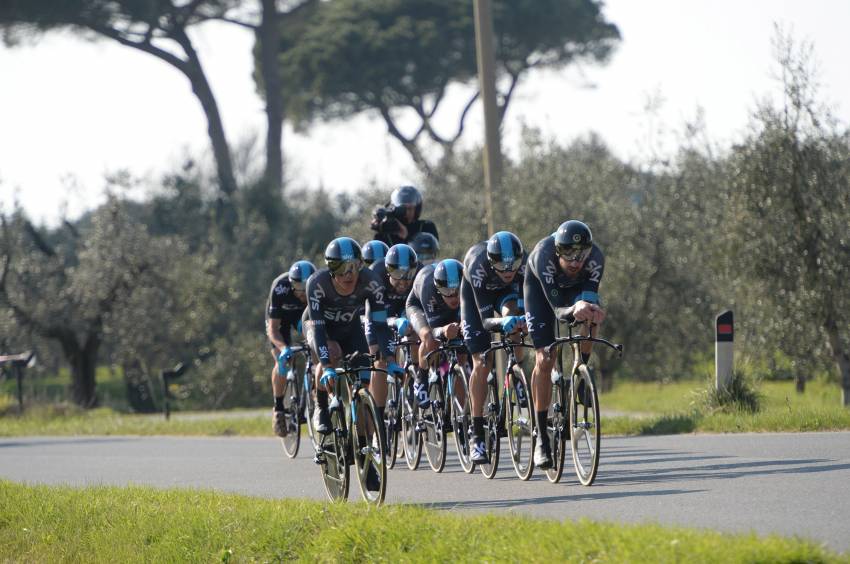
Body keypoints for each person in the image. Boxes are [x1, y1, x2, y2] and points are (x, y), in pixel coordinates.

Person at [302, 237, 405, 490]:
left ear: (360, 265)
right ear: (330, 269)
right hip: (320, 329)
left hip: (351, 330)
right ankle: (322, 405)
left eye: (353, 268)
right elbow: (316, 329)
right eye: (341, 269)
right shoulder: (317, 284)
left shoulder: (371, 281)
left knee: (362, 382)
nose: (348, 275)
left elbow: (380, 325)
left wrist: (389, 360)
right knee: (331, 354)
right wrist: (326, 365)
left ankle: (365, 459)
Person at [523, 220, 606, 469]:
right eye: (568, 253)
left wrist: (590, 309)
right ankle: (541, 437)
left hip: (573, 290)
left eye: (581, 254)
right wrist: (574, 309)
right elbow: (559, 311)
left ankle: (580, 373)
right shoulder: (543, 256)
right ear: (558, 251)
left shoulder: (596, 259)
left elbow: (589, 294)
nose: (575, 260)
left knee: (591, 318)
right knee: (545, 357)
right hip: (542, 293)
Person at [460, 231, 527, 464]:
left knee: (516, 318)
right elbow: (487, 321)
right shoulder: (478, 267)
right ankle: (476, 434)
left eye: (514, 265)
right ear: (491, 261)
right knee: (482, 361)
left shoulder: (524, 263)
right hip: (477, 298)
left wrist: (521, 320)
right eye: (502, 265)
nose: (509, 271)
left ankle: (517, 374)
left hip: (504, 295)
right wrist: (501, 322)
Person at [405, 258, 465, 408]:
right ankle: (421, 377)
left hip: (445, 310)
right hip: (419, 305)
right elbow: (434, 330)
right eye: (447, 292)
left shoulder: (466, 284)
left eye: (457, 291)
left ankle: (462, 410)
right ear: (439, 288)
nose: (453, 296)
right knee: (430, 339)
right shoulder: (428, 286)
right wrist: (444, 330)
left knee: (463, 345)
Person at [265, 260, 316, 437]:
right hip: (280, 319)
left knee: (315, 344)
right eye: (299, 289)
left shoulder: (316, 286)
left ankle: (316, 394)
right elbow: (272, 329)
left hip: (301, 317)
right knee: (282, 360)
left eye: (306, 289)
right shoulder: (281, 287)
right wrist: (283, 348)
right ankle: (278, 408)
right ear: (292, 285)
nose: (303, 294)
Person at [367, 244, 419, 349]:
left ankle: (415, 364)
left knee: (414, 329)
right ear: (388, 272)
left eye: (409, 275)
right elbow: (372, 316)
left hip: (406, 304)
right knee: (379, 347)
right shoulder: (375, 273)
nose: (403, 282)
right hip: (383, 304)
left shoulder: (420, 273)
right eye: (398, 275)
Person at [370, 185, 439, 246]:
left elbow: (429, 254)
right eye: (402, 209)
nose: (406, 212)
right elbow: (375, 257)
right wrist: (380, 226)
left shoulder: (426, 227)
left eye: (410, 208)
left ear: (417, 209)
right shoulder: (387, 229)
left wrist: (407, 236)